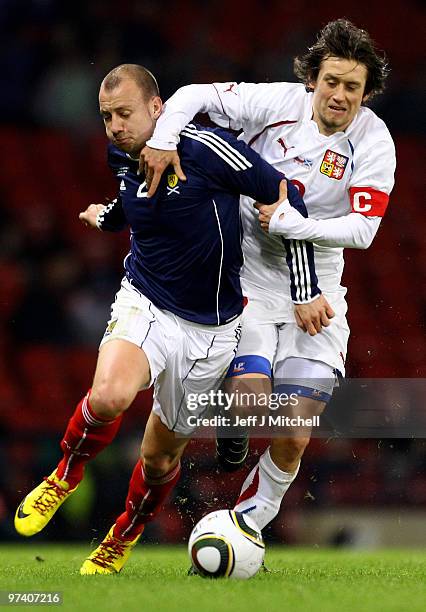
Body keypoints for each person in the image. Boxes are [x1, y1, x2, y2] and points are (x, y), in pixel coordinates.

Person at [14, 64, 324, 574]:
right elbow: (139, 204)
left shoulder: (207, 149)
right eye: (106, 116)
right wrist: (109, 216)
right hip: (146, 300)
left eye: (124, 114)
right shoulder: (122, 153)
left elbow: (283, 192)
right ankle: (64, 476)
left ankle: (123, 535)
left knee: (159, 459)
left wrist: (304, 284)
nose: (114, 126)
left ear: (158, 109)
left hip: (212, 331)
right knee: (110, 395)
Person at [139, 19, 396, 532]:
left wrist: (292, 223)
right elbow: (192, 95)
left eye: (352, 87)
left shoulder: (373, 139)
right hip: (248, 282)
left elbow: (364, 230)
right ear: (312, 80)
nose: (340, 95)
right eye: (332, 81)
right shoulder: (276, 103)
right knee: (252, 401)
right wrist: (165, 140)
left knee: (295, 431)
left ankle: (246, 524)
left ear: (366, 93)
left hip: (320, 293)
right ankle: (234, 424)